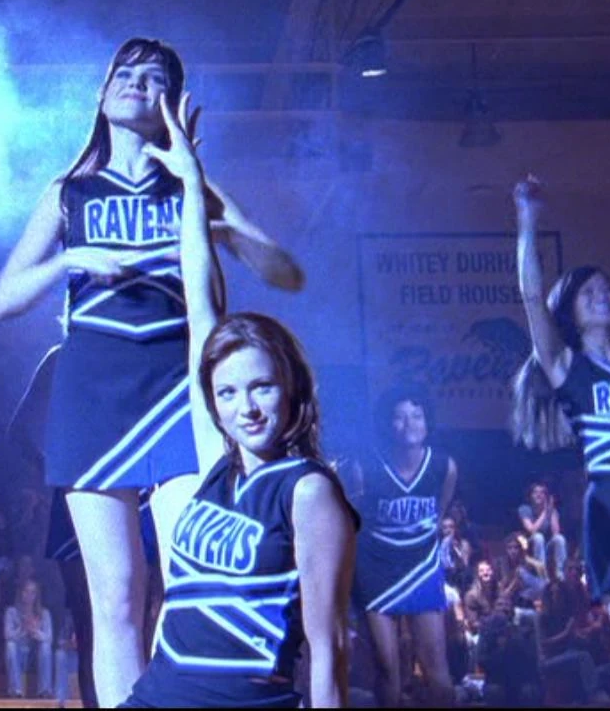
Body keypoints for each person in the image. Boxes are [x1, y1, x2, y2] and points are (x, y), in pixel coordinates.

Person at [0, 37, 304, 708]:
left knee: (192, 581)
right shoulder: (69, 192)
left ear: (173, 102)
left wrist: (199, 184)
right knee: (116, 598)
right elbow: (2, 301)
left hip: (177, 389)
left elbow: (286, 273)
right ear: (101, 94)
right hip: (91, 395)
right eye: (124, 73)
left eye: (153, 76)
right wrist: (70, 261)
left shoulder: (186, 183)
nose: (135, 82)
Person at [119, 89, 357, 708]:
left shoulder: (307, 490)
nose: (245, 407)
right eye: (227, 392)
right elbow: (200, 308)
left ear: (290, 388)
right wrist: (190, 182)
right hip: (158, 698)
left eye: (261, 387)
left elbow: (329, 646)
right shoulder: (216, 466)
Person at [511, 175, 610, 708]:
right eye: (589, 291)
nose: (602, 295)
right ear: (571, 311)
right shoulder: (568, 368)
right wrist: (528, 219)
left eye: (608, 288)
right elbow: (531, 296)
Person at [348, 386, 457, 707]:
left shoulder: (444, 466)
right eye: (399, 416)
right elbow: (350, 522)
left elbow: (440, 513)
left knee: (438, 673)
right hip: (376, 570)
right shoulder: (364, 467)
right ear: (387, 423)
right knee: (388, 671)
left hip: (421, 566)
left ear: (427, 421)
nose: (409, 424)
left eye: (417, 415)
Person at [4, 579, 54, 699]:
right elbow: (7, 635)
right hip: (19, 658)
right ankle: (15, 691)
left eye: (33, 592)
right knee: (10, 645)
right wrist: (22, 628)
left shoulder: (44, 613)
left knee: (46, 646)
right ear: (21, 593)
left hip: (36, 659)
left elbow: (49, 637)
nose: (29, 595)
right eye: (26, 591)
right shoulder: (11, 612)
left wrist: (35, 631)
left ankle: (44, 691)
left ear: (37, 595)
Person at [517, 481, 567, 580]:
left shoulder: (550, 510)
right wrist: (544, 512)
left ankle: (560, 574)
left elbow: (556, 533)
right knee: (538, 537)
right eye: (535, 492)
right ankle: (542, 574)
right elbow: (532, 530)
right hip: (529, 547)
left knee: (560, 539)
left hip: (545, 547)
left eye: (542, 492)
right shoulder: (524, 509)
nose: (538, 495)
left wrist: (552, 511)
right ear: (530, 496)